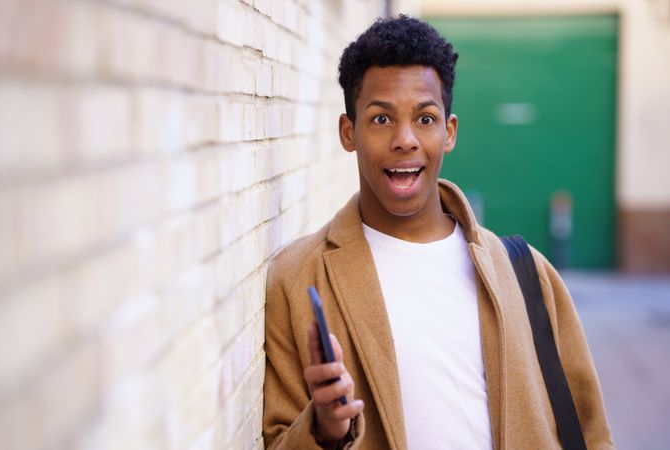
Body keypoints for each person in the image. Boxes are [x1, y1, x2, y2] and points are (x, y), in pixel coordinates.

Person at [263, 15, 614, 449]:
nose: (405, 139)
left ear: (449, 133)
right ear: (348, 132)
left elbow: (592, 434)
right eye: (380, 120)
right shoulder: (298, 279)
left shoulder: (528, 275)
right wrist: (323, 428)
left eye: (425, 119)